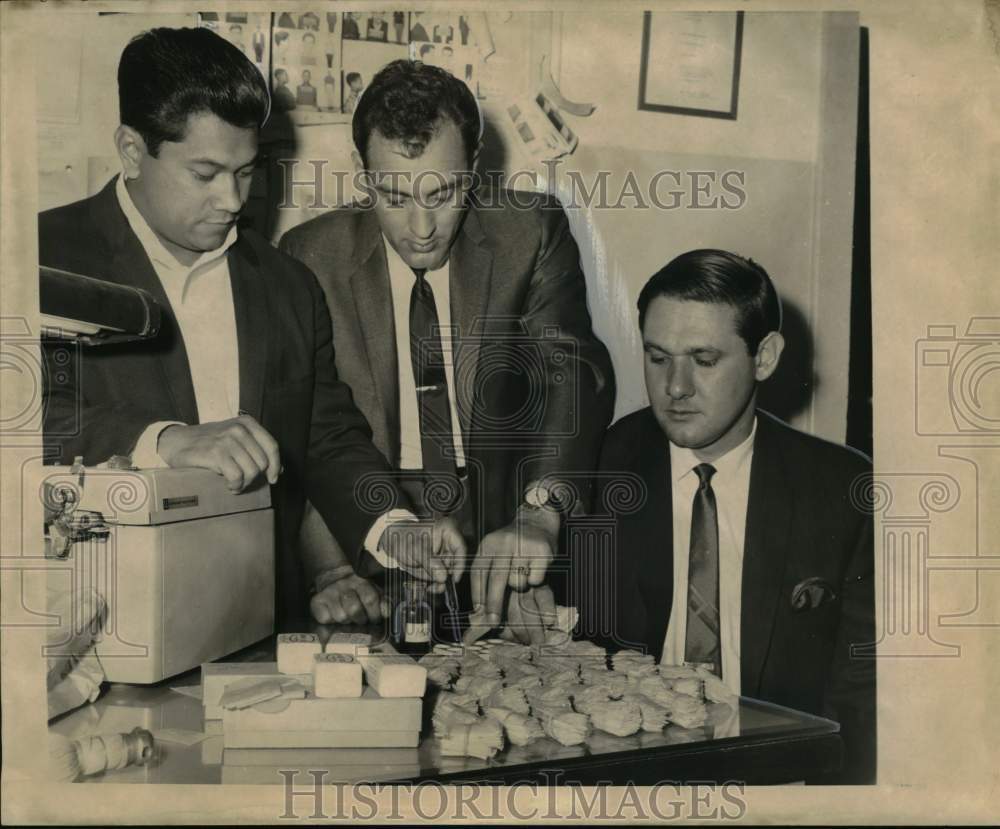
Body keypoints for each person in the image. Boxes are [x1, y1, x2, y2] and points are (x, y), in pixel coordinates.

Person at [38, 27, 466, 626]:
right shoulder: (37, 257)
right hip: (95, 617)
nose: (233, 200)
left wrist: (392, 528)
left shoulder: (288, 283)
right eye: (206, 173)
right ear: (132, 150)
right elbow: (22, 413)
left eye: (246, 172)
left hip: (259, 621)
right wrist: (161, 441)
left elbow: (326, 435)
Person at [280, 60, 615, 640]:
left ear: (475, 165)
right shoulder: (309, 256)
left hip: (504, 525)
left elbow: (572, 372)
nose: (422, 226)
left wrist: (539, 513)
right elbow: (311, 426)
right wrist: (331, 568)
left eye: (444, 192)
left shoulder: (530, 231)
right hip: (361, 527)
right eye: (393, 194)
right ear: (362, 173)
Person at [587, 249, 875, 783]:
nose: (675, 387)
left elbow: (862, 702)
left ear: (764, 357)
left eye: (704, 359)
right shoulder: (596, 470)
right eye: (657, 357)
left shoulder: (842, 490)